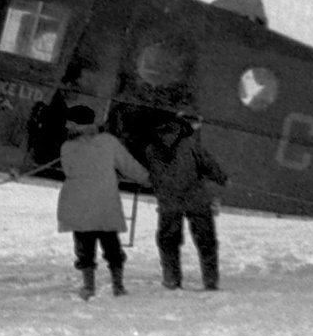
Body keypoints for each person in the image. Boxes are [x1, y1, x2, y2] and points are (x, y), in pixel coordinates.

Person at [57, 104, 149, 299]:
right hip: (105, 203)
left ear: (75, 123)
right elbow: (128, 165)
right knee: (112, 245)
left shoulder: (67, 146)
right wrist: (148, 179)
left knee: (84, 247)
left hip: (79, 205)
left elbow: (70, 170)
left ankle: (89, 286)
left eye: (69, 122)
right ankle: (118, 285)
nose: (66, 125)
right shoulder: (108, 142)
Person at [144, 114, 229, 291]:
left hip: (169, 201)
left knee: (168, 241)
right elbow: (209, 165)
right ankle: (210, 281)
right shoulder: (190, 145)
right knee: (206, 241)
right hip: (196, 198)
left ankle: (171, 279)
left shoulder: (151, 148)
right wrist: (222, 179)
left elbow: (151, 174)